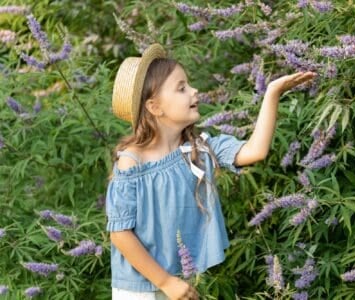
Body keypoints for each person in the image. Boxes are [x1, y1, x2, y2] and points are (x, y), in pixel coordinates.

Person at [105, 43, 316, 300]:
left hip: (180, 281)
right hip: (140, 289)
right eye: (181, 88)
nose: (194, 91)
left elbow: (255, 150)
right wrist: (166, 282)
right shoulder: (132, 162)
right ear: (154, 107)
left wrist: (272, 92)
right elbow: (120, 233)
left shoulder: (200, 150)